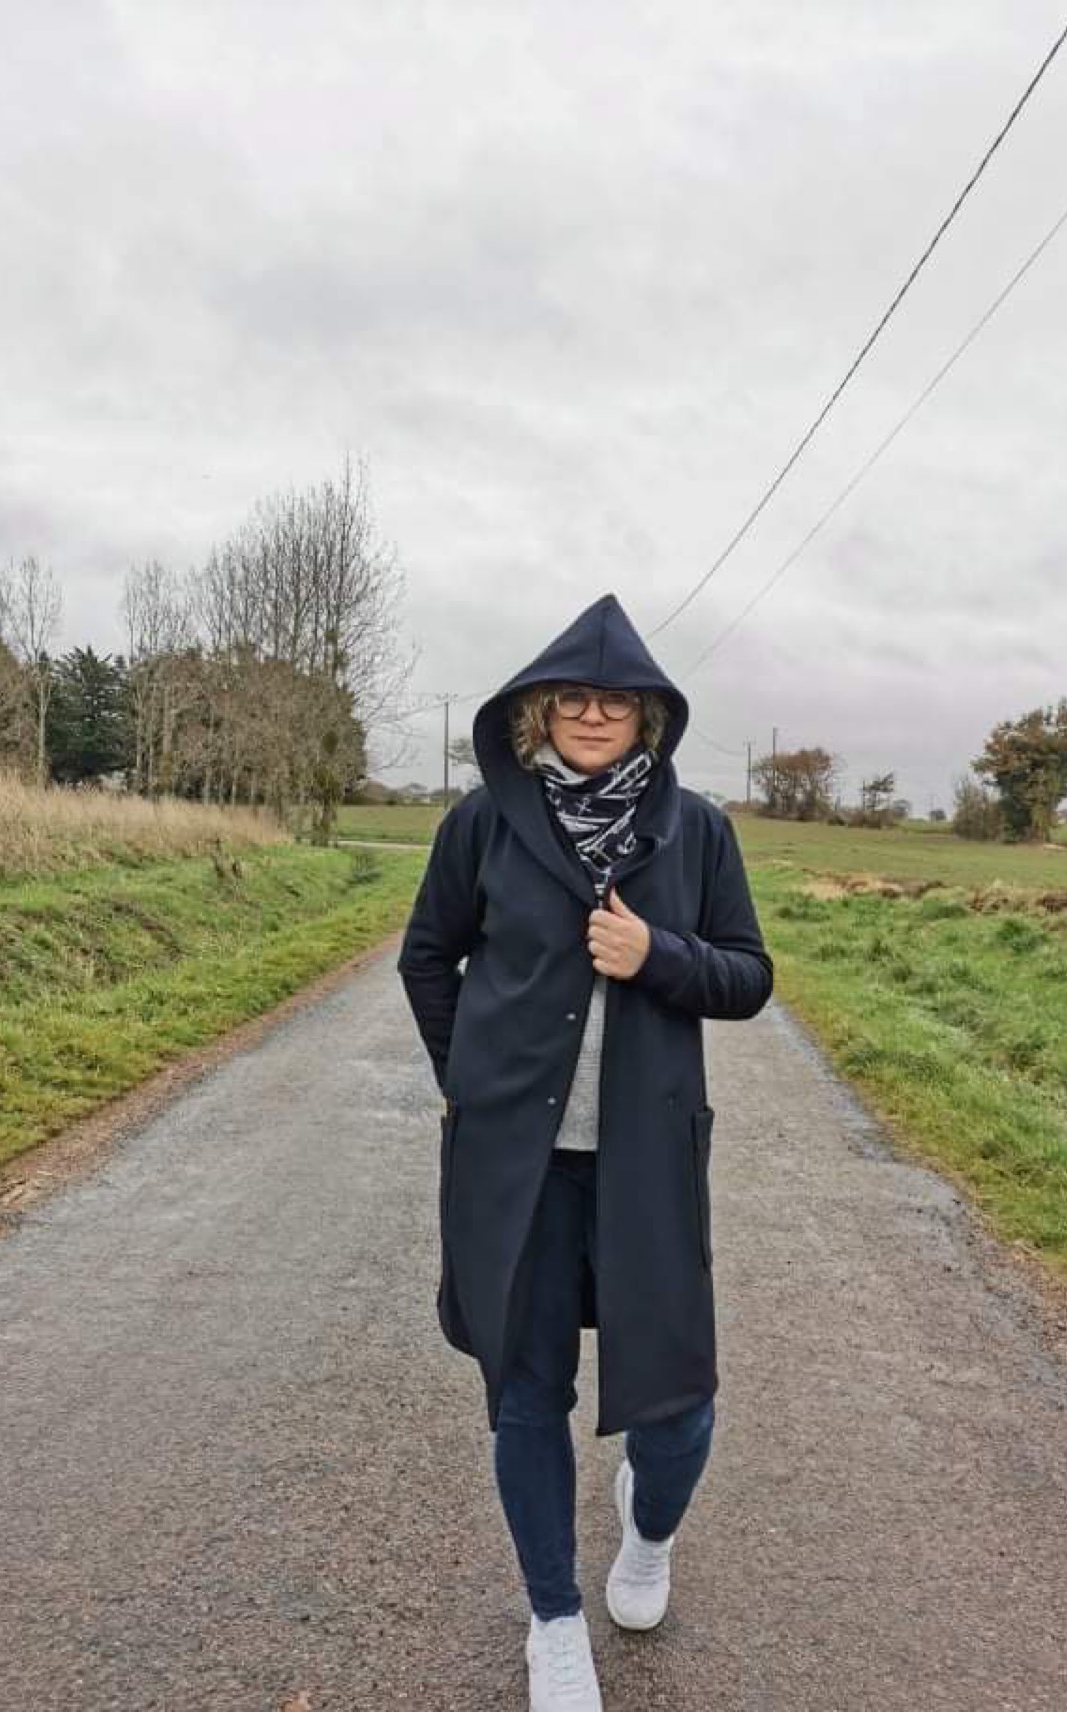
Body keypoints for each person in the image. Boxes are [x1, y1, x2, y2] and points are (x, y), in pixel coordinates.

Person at [397, 592, 774, 1710]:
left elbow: (749, 976)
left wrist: (659, 953)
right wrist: (471, 1082)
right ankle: (553, 1616)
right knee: (527, 1395)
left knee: (678, 1408)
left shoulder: (696, 829)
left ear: (648, 713)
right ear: (539, 711)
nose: (595, 713)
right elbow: (428, 957)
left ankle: (648, 1531)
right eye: (574, 696)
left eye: (617, 699)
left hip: (645, 1165)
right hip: (519, 1170)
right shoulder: (484, 824)